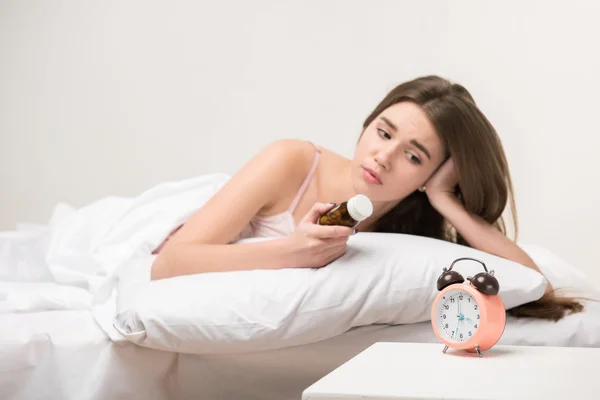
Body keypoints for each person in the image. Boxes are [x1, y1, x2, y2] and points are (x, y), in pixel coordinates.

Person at [150, 75, 583, 321]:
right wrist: (293, 252)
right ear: (368, 122)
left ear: (429, 175)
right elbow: (169, 261)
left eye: (413, 156)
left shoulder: (411, 225)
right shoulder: (293, 161)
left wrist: (445, 200)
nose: (383, 157)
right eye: (383, 131)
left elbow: (532, 283)